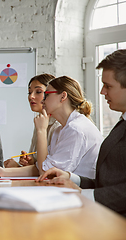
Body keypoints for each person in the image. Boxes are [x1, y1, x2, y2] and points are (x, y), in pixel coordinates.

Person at [37, 49, 126, 218]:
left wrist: (82, 195)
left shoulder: (76, 128)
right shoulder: (122, 123)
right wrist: (73, 179)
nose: (102, 92)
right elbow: (108, 181)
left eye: (108, 86)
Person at [0, 76, 103, 178]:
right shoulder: (61, 129)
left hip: (82, 194)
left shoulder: (75, 129)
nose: (43, 100)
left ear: (63, 96)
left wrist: (41, 131)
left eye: (46, 94)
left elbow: (46, 173)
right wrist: (2, 172)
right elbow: (41, 167)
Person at [3, 73, 60, 168]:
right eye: (29, 92)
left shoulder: (58, 125)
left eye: (38, 92)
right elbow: (38, 161)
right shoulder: (39, 120)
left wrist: (16, 168)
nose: (31, 97)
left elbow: (48, 168)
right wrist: (30, 161)